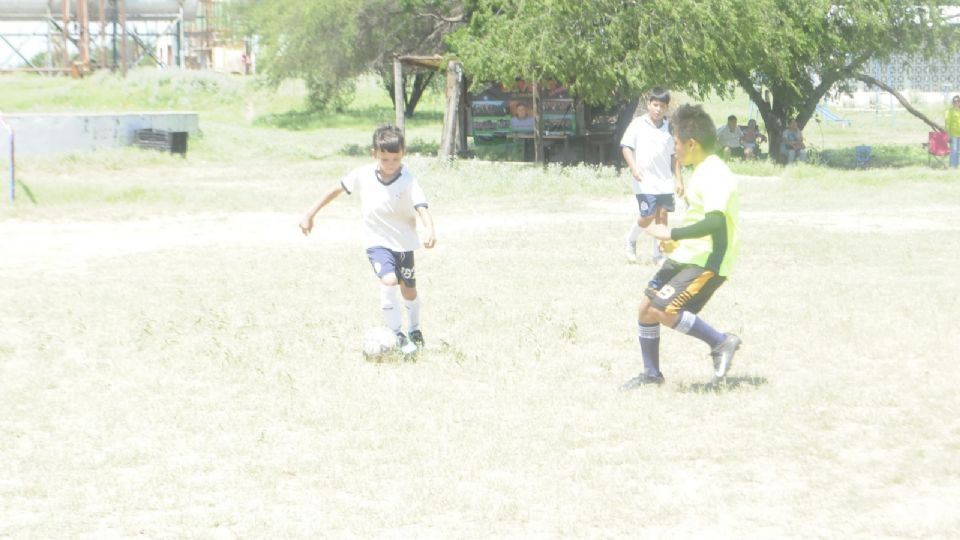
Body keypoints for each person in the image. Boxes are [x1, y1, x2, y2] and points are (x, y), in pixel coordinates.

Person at [621, 104, 742, 389]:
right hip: (688, 256)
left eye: (676, 143)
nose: (675, 150)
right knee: (647, 308)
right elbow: (700, 217)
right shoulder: (700, 170)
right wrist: (675, 243)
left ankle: (721, 342)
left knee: (665, 309)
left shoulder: (715, 173)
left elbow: (714, 222)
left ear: (691, 143)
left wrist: (670, 231)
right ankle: (652, 374)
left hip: (708, 261)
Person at [299, 125, 437, 353]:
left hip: (404, 243)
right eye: (385, 159)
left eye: (396, 158)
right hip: (377, 242)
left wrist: (429, 228)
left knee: (409, 291)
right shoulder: (362, 175)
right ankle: (396, 334)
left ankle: (414, 329)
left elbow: (420, 205)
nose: (391, 164)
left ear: (403, 154)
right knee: (389, 280)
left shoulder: (407, 178)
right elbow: (336, 189)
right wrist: (310, 214)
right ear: (374, 154)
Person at [620, 87, 684, 264]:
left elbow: (674, 156)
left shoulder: (670, 128)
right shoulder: (638, 124)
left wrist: (679, 179)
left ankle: (659, 254)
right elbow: (626, 147)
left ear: (666, 108)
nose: (658, 109)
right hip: (644, 180)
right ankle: (630, 240)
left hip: (664, 181)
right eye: (655, 105)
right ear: (648, 105)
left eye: (662, 106)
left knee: (662, 216)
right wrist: (633, 168)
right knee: (648, 215)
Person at [946, 95, 960, 169]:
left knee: (958, 152)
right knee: (953, 151)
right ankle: (952, 166)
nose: (956, 102)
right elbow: (947, 123)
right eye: (955, 101)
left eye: (958, 101)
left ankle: (957, 165)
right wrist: (948, 134)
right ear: (953, 102)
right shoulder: (949, 111)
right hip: (953, 134)